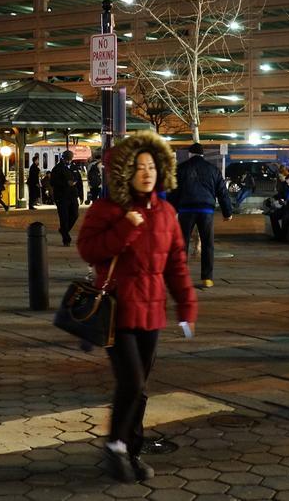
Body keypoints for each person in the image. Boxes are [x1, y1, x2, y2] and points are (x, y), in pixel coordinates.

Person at [76, 130, 197, 484]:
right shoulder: (107, 209)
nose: (147, 173)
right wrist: (125, 229)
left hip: (152, 310)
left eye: (152, 167)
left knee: (140, 387)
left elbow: (176, 264)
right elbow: (89, 250)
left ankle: (130, 450)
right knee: (130, 381)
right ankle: (114, 446)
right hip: (117, 310)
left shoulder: (166, 213)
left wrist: (186, 307)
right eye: (140, 167)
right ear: (126, 172)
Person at [169, 143, 233, 288]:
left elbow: (173, 191)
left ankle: (182, 276)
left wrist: (172, 210)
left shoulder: (181, 169)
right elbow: (222, 192)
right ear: (203, 154)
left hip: (186, 210)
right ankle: (207, 278)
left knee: (182, 244)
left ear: (190, 154)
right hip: (206, 211)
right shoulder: (213, 170)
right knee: (208, 244)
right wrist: (227, 212)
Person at [50, 151, 83, 246]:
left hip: (73, 196)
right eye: (67, 159)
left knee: (75, 215)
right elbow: (53, 182)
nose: (68, 161)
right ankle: (66, 239)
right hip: (61, 196)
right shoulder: (57, 169)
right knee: (64, 217)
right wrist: (65, 183)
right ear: (63, 158)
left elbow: (79, 181)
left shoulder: (74, 168)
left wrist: (81, 195)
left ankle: (64, 230)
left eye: (70, 159)